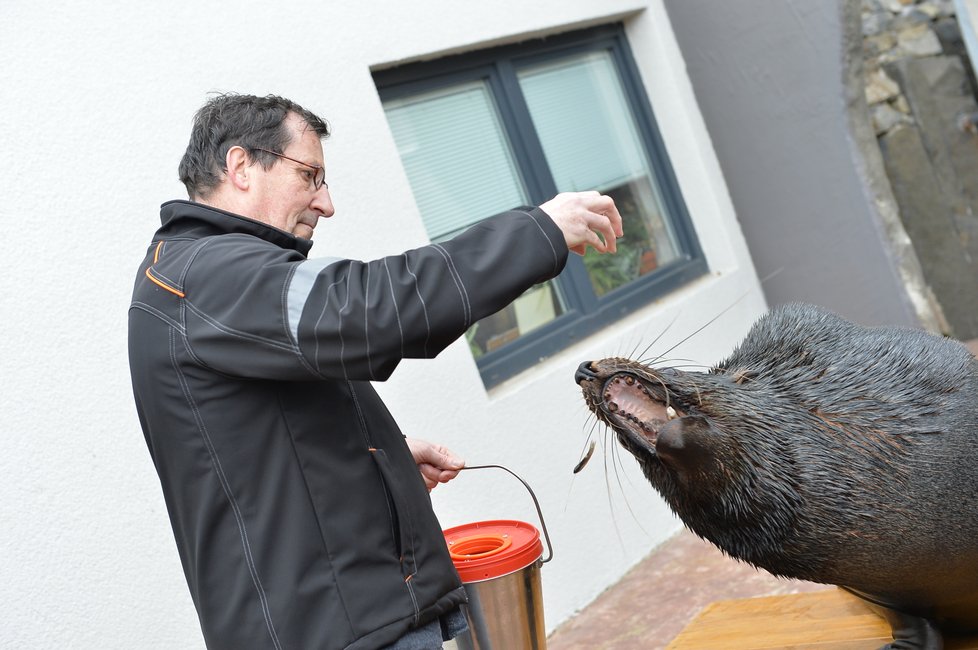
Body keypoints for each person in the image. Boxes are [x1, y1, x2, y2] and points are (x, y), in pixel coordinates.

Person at [128, 92, 622, 650]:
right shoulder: (210, 276)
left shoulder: (209, 277)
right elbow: (363, 311)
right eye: (310, 176)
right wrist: (537, 233)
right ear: (242, 166)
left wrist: (382, 458)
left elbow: (268, 439)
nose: (326, 202)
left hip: (353, 618)